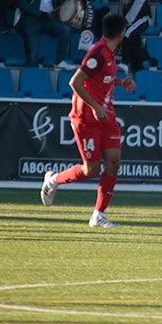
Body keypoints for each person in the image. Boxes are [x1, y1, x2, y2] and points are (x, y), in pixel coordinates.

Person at [40, 12, 137, 228]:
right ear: (120, 33)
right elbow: (75, 82)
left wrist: (122, 83)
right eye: (124, 31)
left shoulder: (109, 54)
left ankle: (98, 215)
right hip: (87, 119)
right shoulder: (98, 54)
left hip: (107, 116)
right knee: (90, 170)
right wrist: (95, 106)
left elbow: (102, 79)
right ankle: (53, 180)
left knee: (114, 161)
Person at [118, 0, 153, 72]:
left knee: (127, 33)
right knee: (135, 42)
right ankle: (139, 67)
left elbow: (139, 1)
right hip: (127, 20)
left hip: (142, 18)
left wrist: (128, 20)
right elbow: (122, 3)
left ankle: (124, 62)